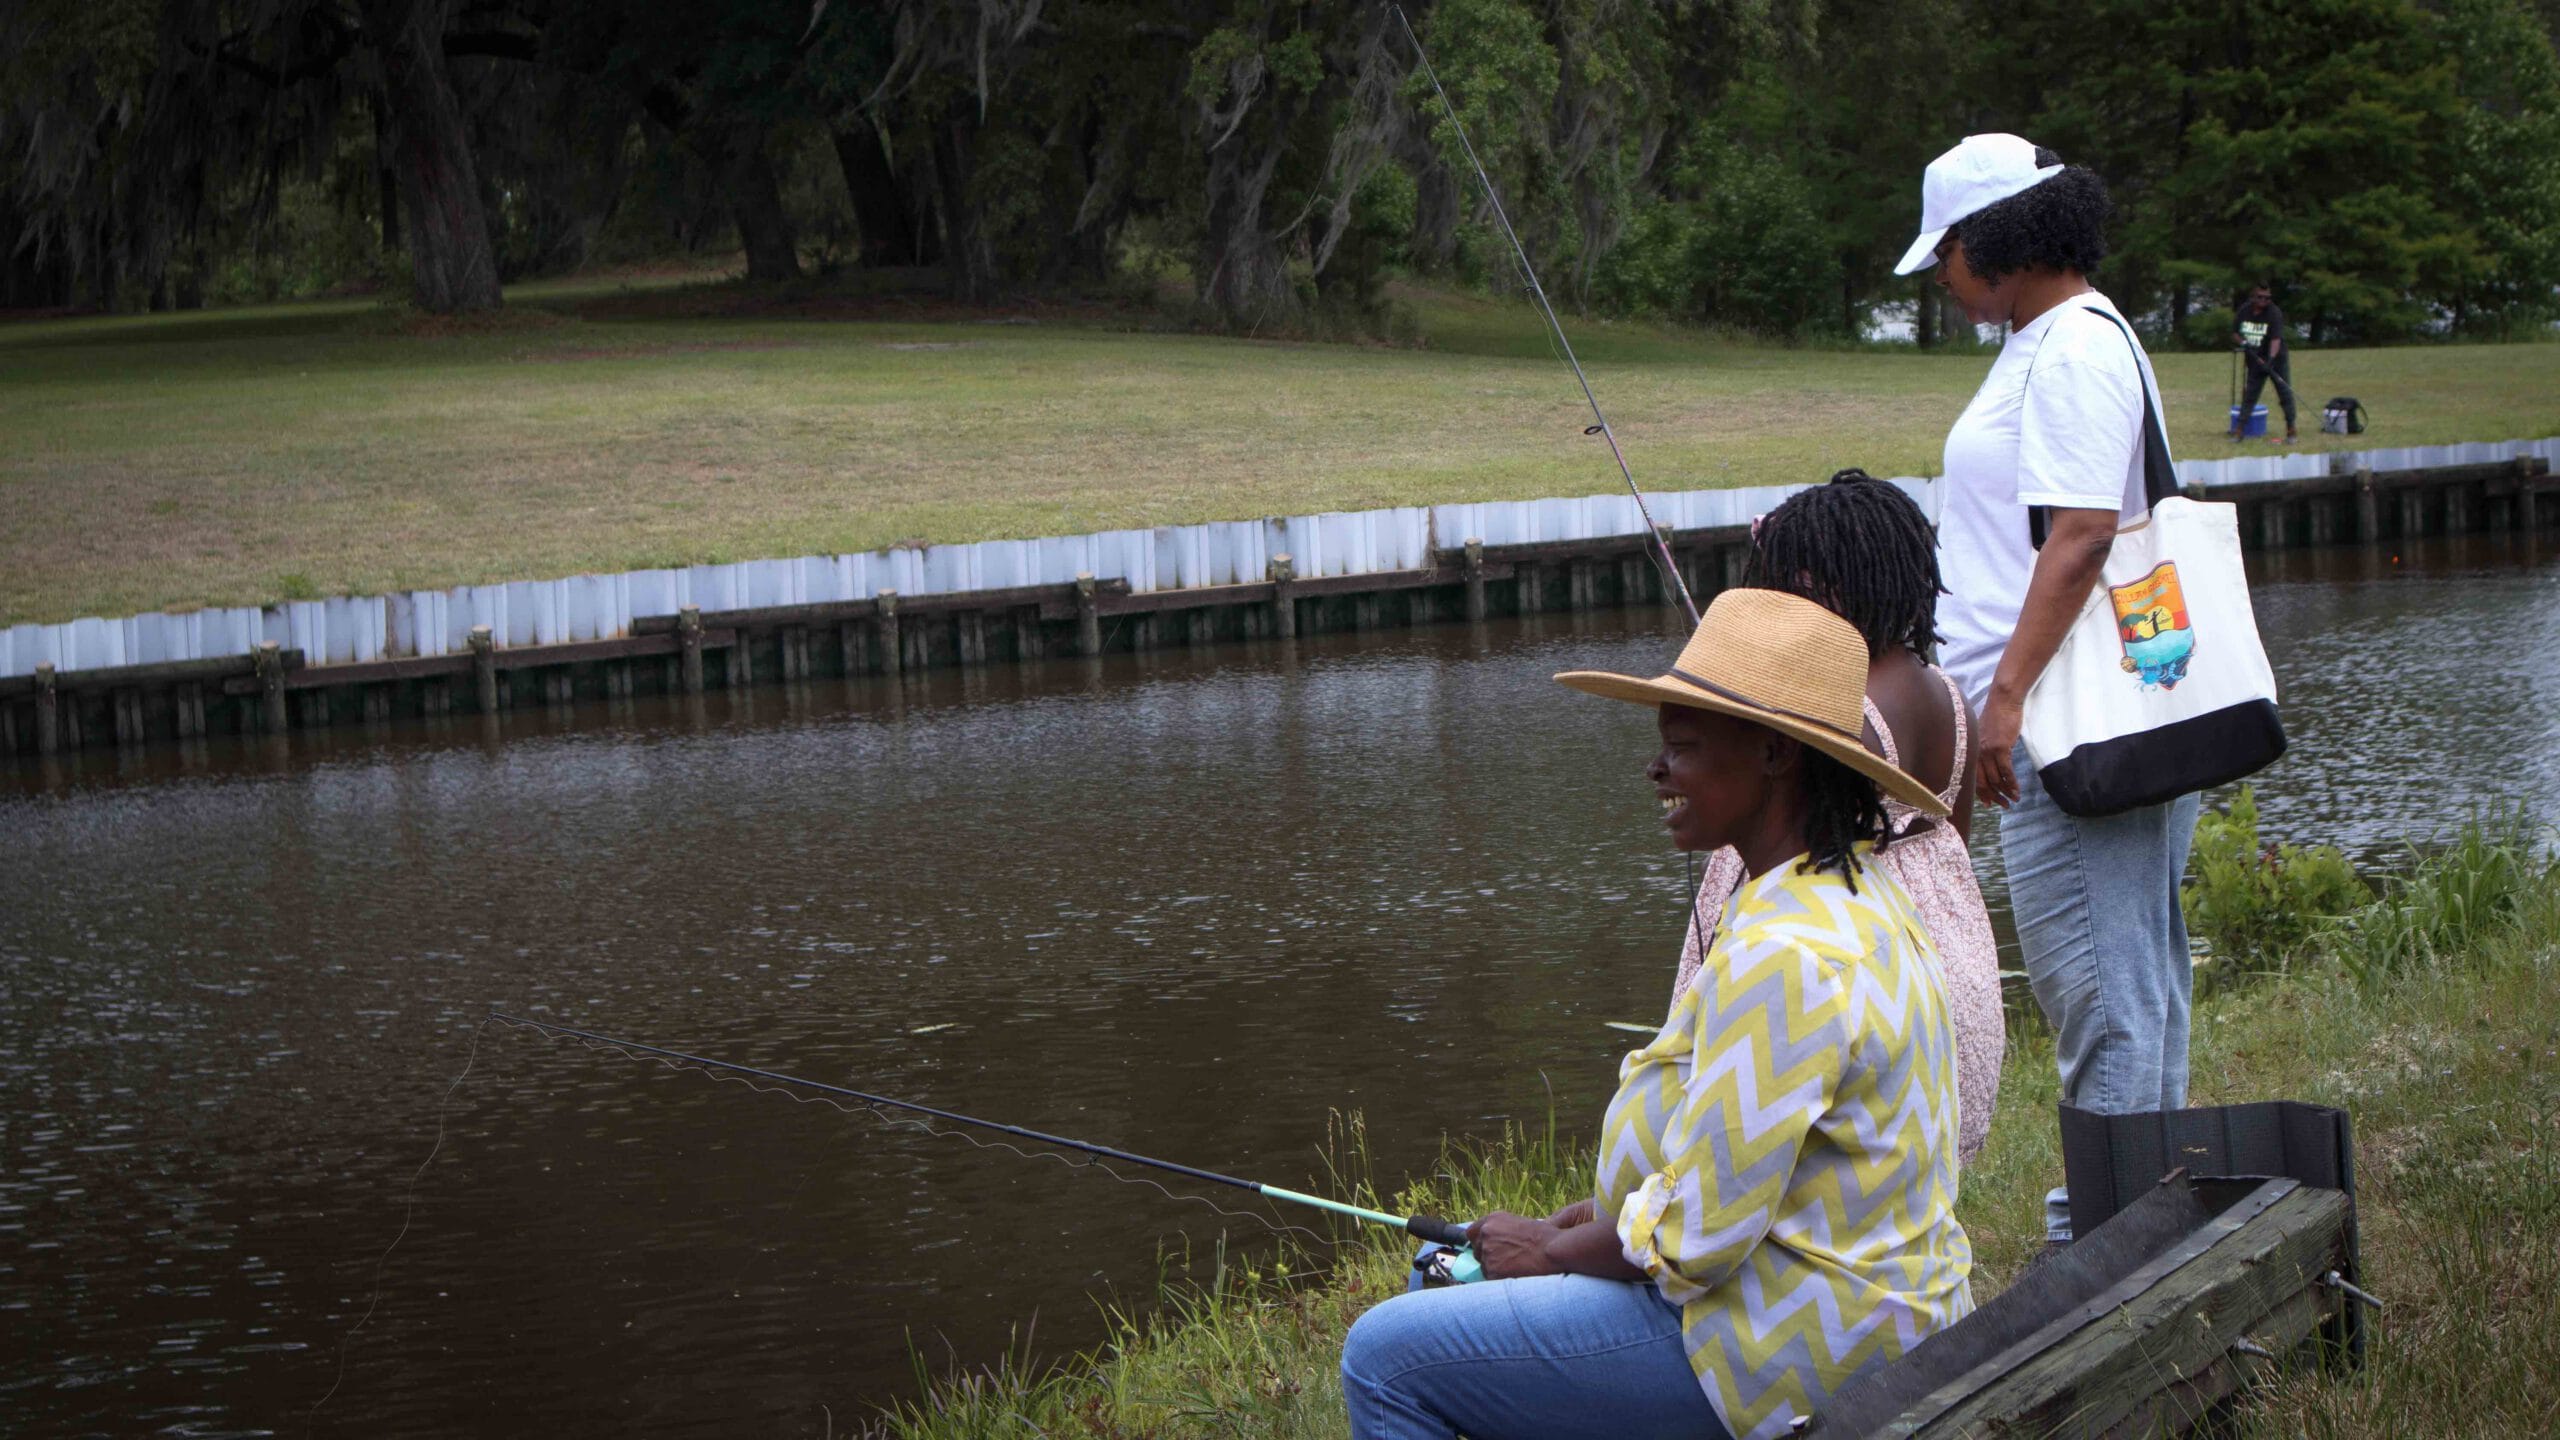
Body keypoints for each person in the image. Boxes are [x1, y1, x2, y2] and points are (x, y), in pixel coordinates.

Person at [1339, 589, 1973, 1440]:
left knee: (1384, 1357)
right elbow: (1749, 1169)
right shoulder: (1859, 899)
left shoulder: (1787, 957)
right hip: (1863, 1317)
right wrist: (1594, 1222)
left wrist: (1551, 1249)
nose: (1657, 770)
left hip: (1782, 1349)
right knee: (1440, 1278)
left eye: (1683, 747)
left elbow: (1696, 1243)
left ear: (1776, 755)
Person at [1890, 133, 2201, 1243]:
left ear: (1999, 239)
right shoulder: (2048, 337)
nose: (1941, 274)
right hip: (2082, 709)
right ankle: (2146, 1210)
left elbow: (2076, 536)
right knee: (2134, 975)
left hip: (2071, 724)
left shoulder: (2070, 346)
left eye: (1949, 250)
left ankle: (2100, 1247)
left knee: (2100, 988)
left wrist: (2005, 702)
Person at [1678, 469, 2004, 1168]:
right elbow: (1956, 850)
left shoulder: (1845, 713)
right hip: (1941, 970)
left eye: (1787, 584)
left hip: (1851, 993)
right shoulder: (1947, 694)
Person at [2229, 282, 2298, 444]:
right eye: (2260, 297)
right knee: (2250, 395)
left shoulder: (2274, 313)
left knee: (2284, 393)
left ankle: (2291, 429)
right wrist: (2244, 343)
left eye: (2267, 298)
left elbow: (2276, 340)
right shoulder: (2244, 311)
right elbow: (2234, 333)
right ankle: (2239, 431)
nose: (2264, 301)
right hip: (2255, 359)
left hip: (2276, 360)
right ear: (2253, 297)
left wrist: (2271, 360)